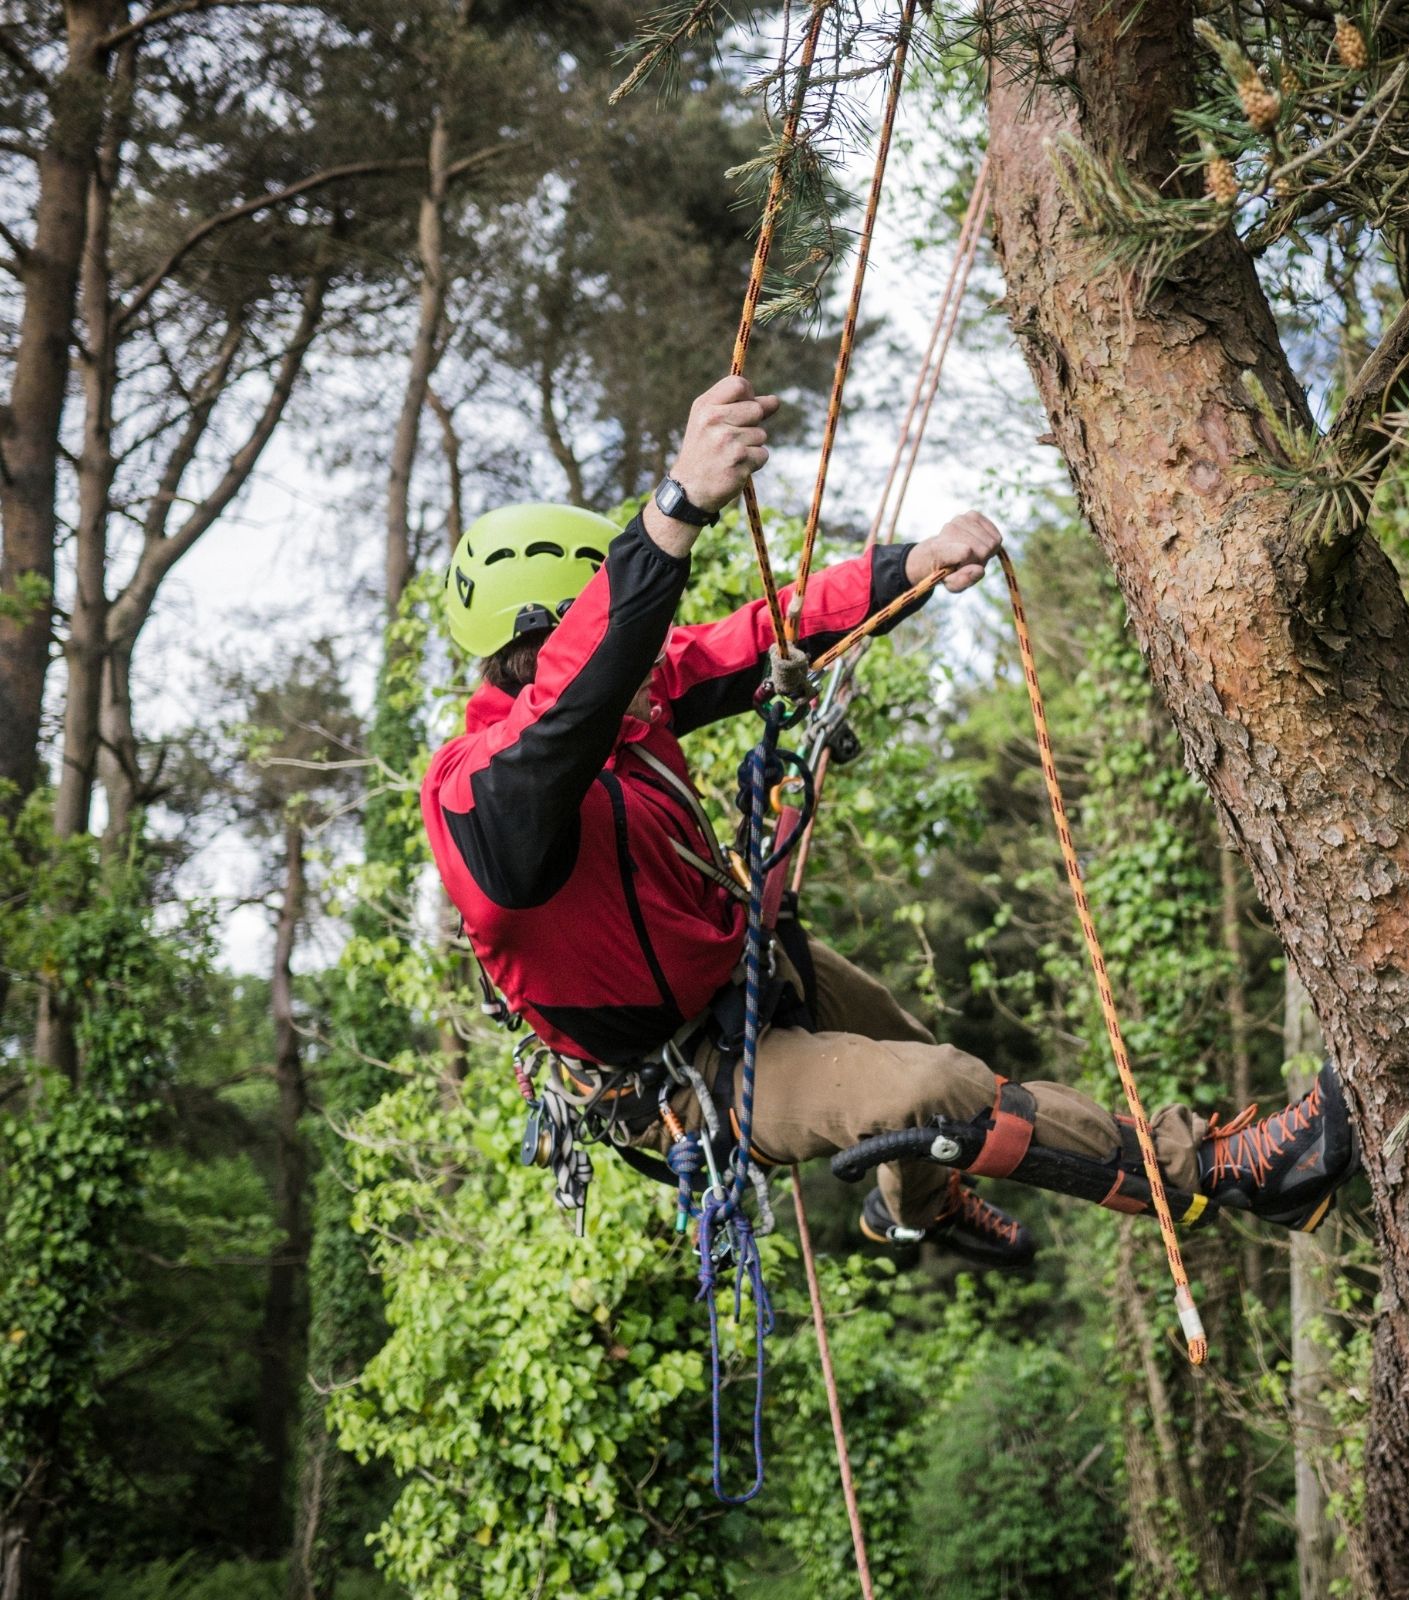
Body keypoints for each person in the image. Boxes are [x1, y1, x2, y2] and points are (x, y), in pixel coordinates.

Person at [423, 375, 1356, 1265]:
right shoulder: (478, 798)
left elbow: (761, 635)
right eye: (622, 645)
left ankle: (915, 1209)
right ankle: (1229, 1175)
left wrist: (911, 566)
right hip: (683, 1079)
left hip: (743, 970)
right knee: (935, 1089)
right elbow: (562, 728)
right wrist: (674, 509)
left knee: (906, 1043)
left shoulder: (637, 690)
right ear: (553, 647)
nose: (653, 664)